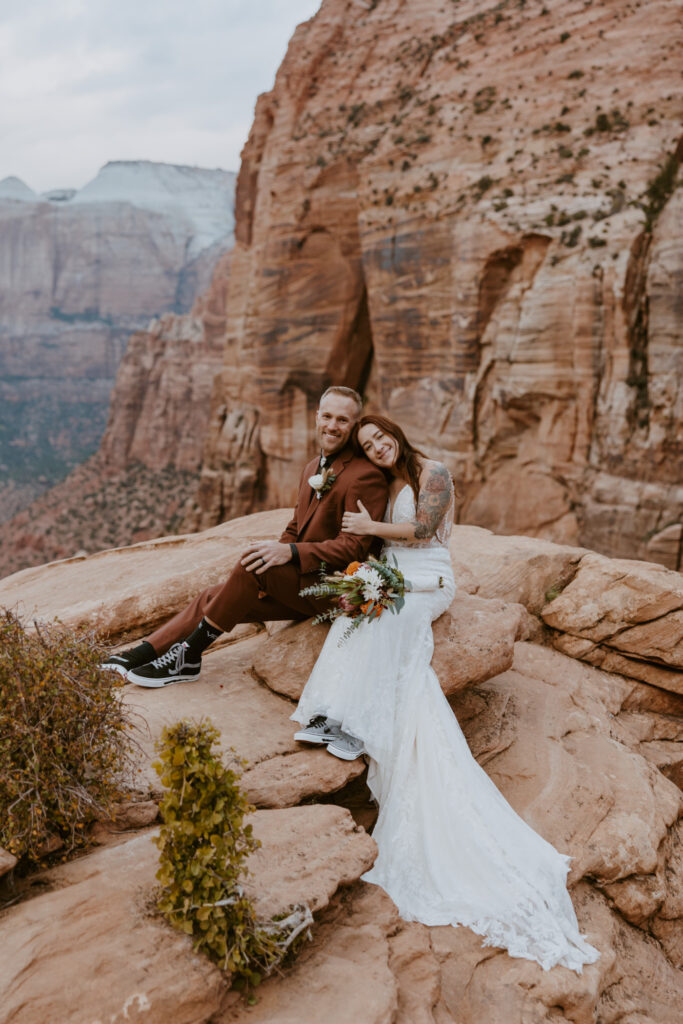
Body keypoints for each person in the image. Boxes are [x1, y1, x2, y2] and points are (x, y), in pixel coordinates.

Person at [292, 414, 600, 973]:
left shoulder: (434, 472)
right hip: (392, 574)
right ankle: (330, 718)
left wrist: (371, 529)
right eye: (369, 447)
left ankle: (355, 725)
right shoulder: (388, 479)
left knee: (388, 622)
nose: (379, 449)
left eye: (380, 439)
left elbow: (422, 532)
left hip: (430, 578)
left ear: (395, 434)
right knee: (354, 619)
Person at [102, 387, 388, 687]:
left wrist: (288, 555)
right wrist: (277, 550)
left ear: (355, 425)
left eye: (342, 420)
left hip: (330, 592)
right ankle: (138, 655)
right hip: (300, 587)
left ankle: (188, 658)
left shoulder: (364, 476)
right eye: (327, 416)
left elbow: (352, 547)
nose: (332, 425)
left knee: (252, 568)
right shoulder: (311, 469)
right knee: (213, 596)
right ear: (316, 417)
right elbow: (296, 525)